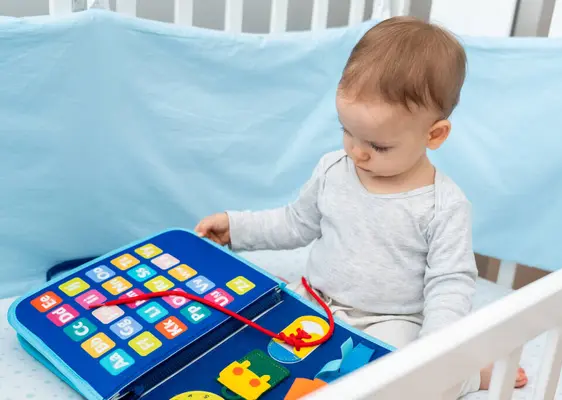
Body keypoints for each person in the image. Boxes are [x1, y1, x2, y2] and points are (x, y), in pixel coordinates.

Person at [195, 16, 527, 396]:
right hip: (315, 299)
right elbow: (295, 223)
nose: (356, 151)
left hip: (391, 319)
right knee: (248, 347)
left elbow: (449, 284)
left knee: (408, 386)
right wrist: (238, 228)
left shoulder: (443, 205)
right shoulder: (333, 170)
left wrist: (435, 349)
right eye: (347, 131)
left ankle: (473, 375)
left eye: (378, 145)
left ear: (434, 135)